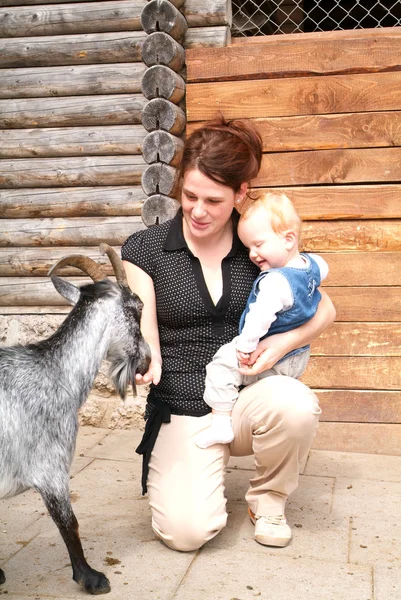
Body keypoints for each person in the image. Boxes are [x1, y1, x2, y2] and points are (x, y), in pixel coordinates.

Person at [121, 115, 335, 551]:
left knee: (294, 403)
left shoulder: (257, 246)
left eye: (214, 201)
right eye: (190, 195)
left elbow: (325, 306)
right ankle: (200, 469)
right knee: (186, 535)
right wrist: (146, 360)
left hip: (247, 401)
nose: (198, 211)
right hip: (183, 402)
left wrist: (282, 345)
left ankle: (268, 498)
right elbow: (144, 327)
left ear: (240, 193)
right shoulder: (145, 249)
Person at [195, 191, 329, 449]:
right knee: (271, 398)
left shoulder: (275, 282)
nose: (252, 254)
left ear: (289, 239)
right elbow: (324, 271)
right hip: (297, 358)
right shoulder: (314, 264)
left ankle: (221, 422)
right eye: (248, 248)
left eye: (259, 244)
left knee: (221, 366)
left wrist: (244, 346)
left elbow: (260, 318)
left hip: (265, 353)